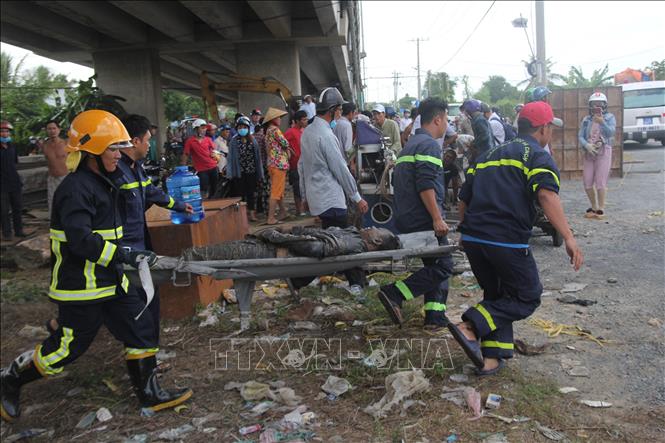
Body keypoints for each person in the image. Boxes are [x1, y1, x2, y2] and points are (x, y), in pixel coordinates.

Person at [0, 110, 192, 423]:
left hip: (112, 278)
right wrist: (123, 256)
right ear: (92, 152)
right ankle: (10, 378)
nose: (119, 154)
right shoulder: (76, 189)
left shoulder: (108, 182)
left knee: (140, 328)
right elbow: (81, 240)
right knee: (66, 349)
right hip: (82, 285)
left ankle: (150, 393)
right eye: (113, 149)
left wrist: (128, 254)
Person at [451, 101, 583, 376]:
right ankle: (470, 326)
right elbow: (546, 195)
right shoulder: (535, 155)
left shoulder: (487, 154)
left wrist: (464, 230)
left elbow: (464, 195)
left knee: (498, 295)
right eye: (551, 129)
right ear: (544, 128)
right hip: (505, 240)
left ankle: (491, 358)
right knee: (526, 296)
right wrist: (568, 237)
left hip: (475, 238)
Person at [374, 98, 454, 330]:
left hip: (408, 217)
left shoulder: (410, 144)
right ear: (438, 119)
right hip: (424, 220)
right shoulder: (428, 146)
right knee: (444, 267)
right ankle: (394, 293)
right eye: (446, 120)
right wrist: (437, 217)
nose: (446, 125)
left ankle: (435, 316)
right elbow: (425, 184)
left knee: (436, 266)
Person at [299, 87, 369, 294]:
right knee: (347, 243)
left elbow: (301, 166)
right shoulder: (325, 135)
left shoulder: (308, 132)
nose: (340, 114)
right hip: (331, 198)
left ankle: (300, 280)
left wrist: (304, 195)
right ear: (333, 110)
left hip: (317, 198)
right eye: (339, 110)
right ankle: (356, 283)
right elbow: (340, 168)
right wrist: (356, 197)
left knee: (327, 243)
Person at [578, 92, 616, 219]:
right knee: (587, 180)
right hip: (589, 151)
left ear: (605, 105)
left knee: (600, 181)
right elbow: (580, 136)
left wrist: (602, 122)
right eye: (594, 104)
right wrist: (586, 145)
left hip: (604, 151)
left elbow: (611, 133)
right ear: (590, 105)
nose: (597, 106)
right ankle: (593, 206)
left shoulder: (610, 117)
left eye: (600, 104)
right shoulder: (586, 119)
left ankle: (601, 208)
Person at [227, 116, 264, 222]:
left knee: (251, 193)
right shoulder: (234, 141)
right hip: (239, 173)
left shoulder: (253, 140)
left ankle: (252, 214)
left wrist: (259, 173)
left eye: (244, 127)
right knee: (240, 194)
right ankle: (241, 216)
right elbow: (230, 158)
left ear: (248, 128)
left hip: (251, 171)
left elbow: (257, 157)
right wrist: (230, 173)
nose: (242, 129)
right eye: (240, 127)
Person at [264, 108, 292, 224]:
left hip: (272, 163)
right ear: (273, 119)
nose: (280, 119)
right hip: (278, 163)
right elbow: (285, 143)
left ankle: (283, 211)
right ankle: (271, 218)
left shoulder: (268, 131)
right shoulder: (275, 130)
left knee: (278, 190)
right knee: (276, 191)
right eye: (278, 117)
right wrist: (288, 149)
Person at [181, 118, 219, 198]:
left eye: (205, 128)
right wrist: (182, 169)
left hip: (213, 167)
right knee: (203, 189)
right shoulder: (190, 141)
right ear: (196, 129)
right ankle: (204, 205)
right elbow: (186, 154)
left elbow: (215, 152)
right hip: (201, 170)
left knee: (215, 189)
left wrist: (216, 155)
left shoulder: (208, 140)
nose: (204, 130)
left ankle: (213, 204)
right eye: (202, 128)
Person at [0, 121, 25, 241]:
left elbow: (15, 163)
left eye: (6, 131)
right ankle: (7, 233)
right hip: (2, 185)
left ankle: (19, 231)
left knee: (17, 208)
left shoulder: (12, 146)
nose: (4, 133)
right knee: (4, 211)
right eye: (2, 131)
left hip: (14, 182)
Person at [42, 120, 68, 219]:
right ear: (46, 131)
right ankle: (54, 224)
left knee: (68, 201)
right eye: (49, 129)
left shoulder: (66, 143)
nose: (52, 131)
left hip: (66, 177)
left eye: (54, 128)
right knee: (52, 202)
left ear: (59, 130)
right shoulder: (45, 145)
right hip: (52, 178)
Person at [284, 110, 308, 216]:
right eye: (303, 119)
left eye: (306, 119)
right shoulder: (290, 132)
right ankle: (299, 210)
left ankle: (304, 208)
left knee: (304, 187)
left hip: (304, 163)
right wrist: (290, 152)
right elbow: (283, 144)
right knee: (297, 187)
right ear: (297, 121)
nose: (305, 121)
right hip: (295, 164)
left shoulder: (303, 131)